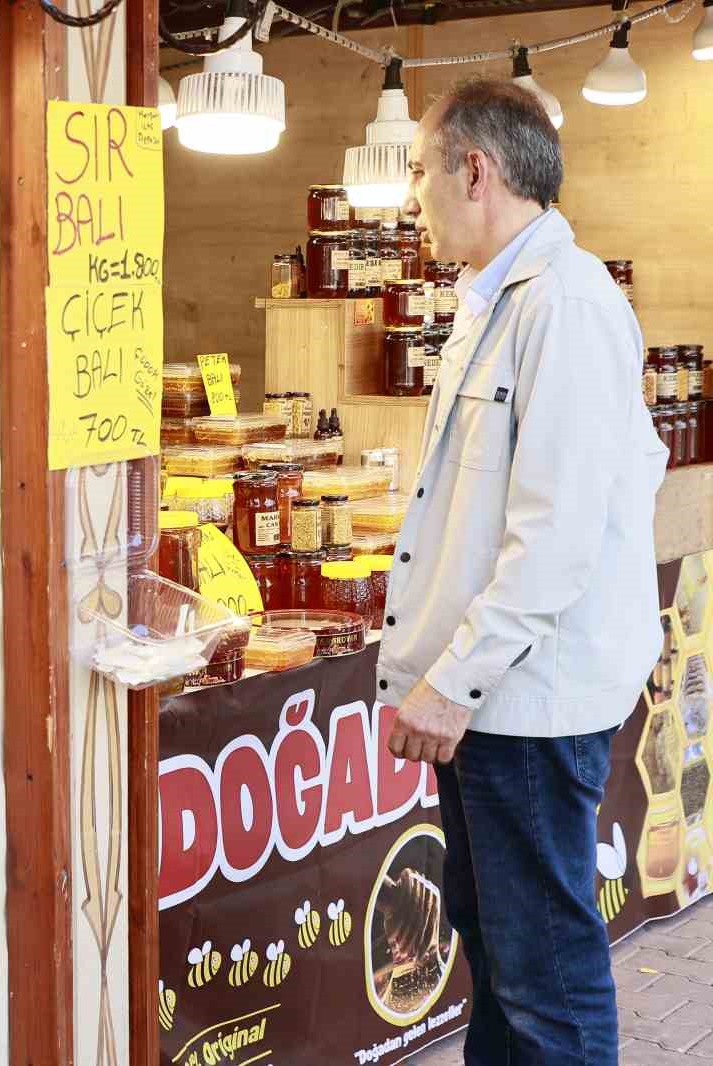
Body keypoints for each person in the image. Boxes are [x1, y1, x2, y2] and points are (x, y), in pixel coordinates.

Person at [380, 78, 666, 1064]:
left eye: (419, 169)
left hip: (526, 700)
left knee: (544, 975)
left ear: (476, 171)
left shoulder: (567, 305)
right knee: (498, 952)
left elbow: (553, 538)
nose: (412, 194)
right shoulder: (494, 300)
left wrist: (451, 683)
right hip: (493, 695)